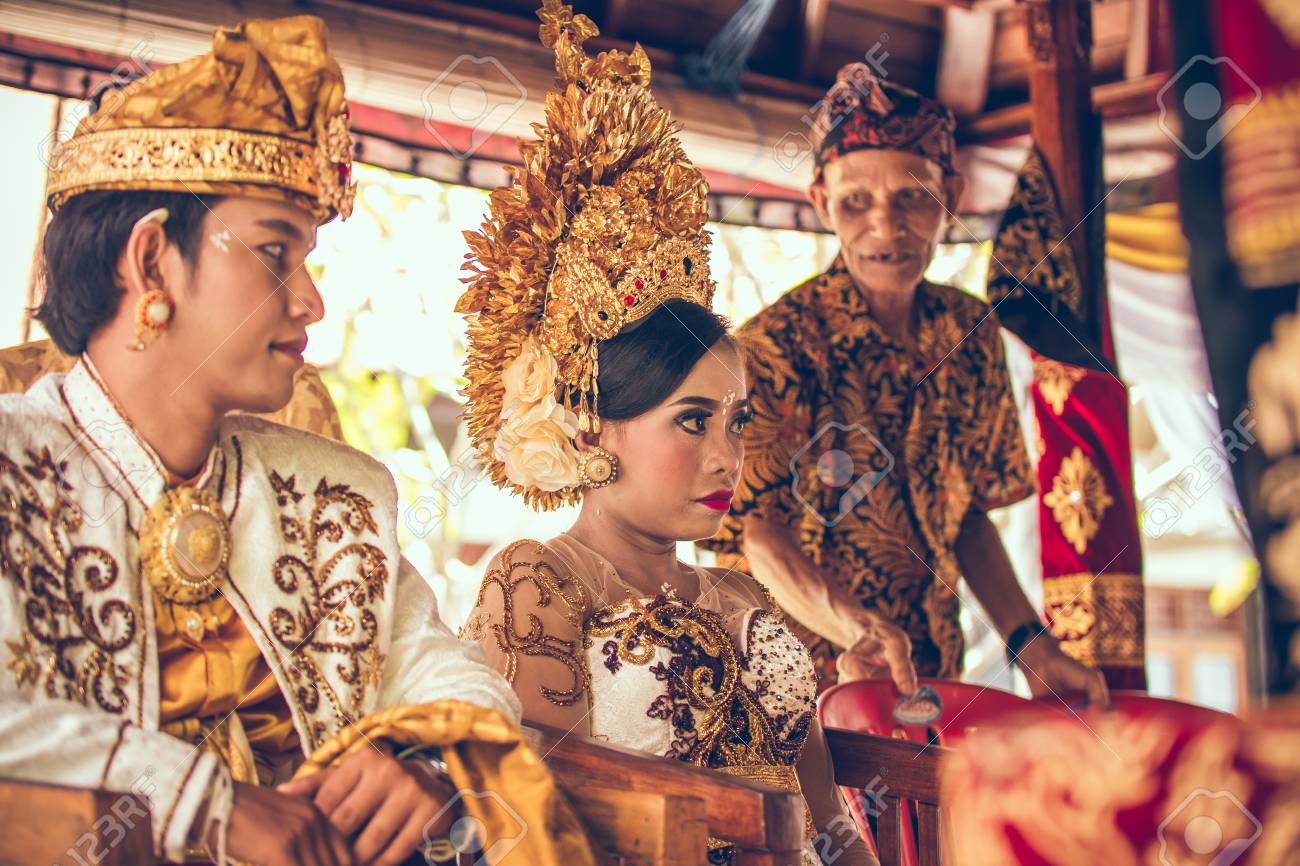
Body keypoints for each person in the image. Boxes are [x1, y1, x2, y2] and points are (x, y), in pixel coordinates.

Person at [0, 16, 594, 866]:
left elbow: (453, 676)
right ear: (151, 260)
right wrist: (205, 805)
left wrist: (422, 765)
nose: (310, 300)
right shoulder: (12, 471)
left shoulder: (337, 497)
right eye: (276, 251)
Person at [455, 4, 875, 864]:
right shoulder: (538, 581)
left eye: (737, 421)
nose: (729, 456)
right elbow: (555, 826)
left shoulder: (747, 599)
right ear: (595, 424)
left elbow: (830, 823)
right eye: (693, 421)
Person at [705, 63, 1109, 707]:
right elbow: (757, 533)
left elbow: (968, 516)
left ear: (951, 192)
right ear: (820, 202)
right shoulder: (775, 346)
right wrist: (857, 632)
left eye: (913, 196)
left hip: (932, 675)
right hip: (801, 690)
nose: (886, 228)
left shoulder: (969, 329)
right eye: (855, 201)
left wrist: (1033, 647)